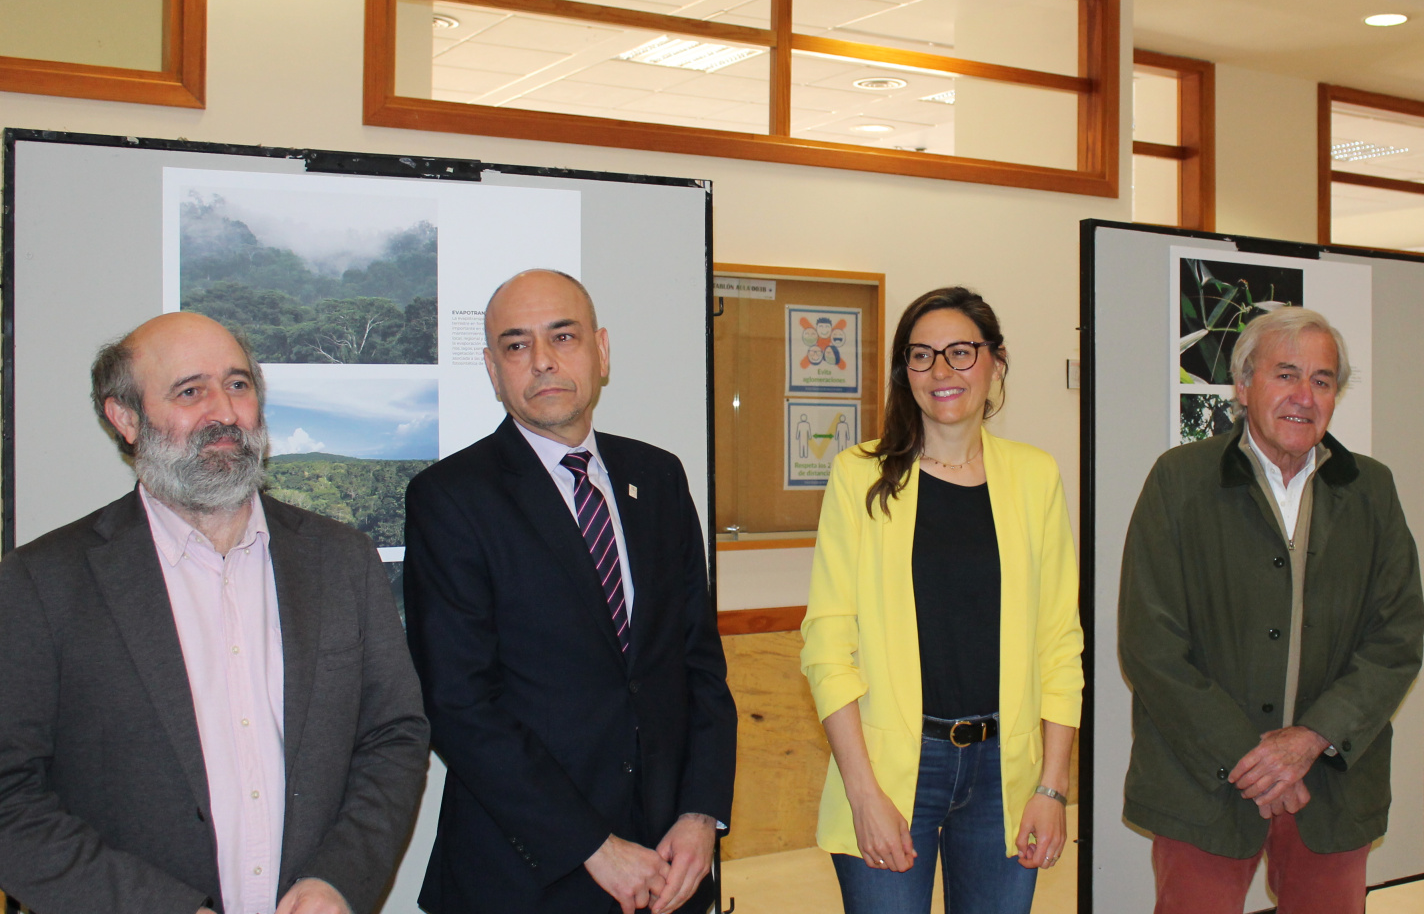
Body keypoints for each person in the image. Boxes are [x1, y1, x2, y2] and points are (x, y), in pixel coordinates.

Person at [0, 312, 430, 914]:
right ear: (124, 418)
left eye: (238, 385)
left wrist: (339, 880)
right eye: (189, 391)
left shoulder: (341, 560)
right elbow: (9, 797)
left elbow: (394, 734)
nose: (224, 414)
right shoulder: (43, 583)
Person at [404, 269, 737, 914]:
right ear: (493, 370)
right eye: (517, 345)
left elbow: (699, 666)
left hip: (672, 866)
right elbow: (460, 703)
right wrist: (593, 846)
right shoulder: (451, 498)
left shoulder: (659, 477)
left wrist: (702, 816)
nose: (544, 361)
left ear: (601, 350)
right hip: (527, 874)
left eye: (563, 336)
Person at [1119, 306, 1424, 914]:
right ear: (1243, 384)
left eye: (1322, 379)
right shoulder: (1179, 481)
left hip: (1333, 783)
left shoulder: (1371, 490)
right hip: (1202, 780)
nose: (1303, 396)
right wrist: (1251, 757)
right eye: (1285, 374)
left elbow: (1397, 637)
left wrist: (1308, 741)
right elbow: (1150, 642)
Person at [799, 286, 1084, 914]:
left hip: (1005, 775)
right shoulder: (860, 475)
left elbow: (1060, 643)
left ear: (995, 361)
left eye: (961, 352)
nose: (942, 371)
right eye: (922, 356)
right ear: (905, 372)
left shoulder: (1036, 477)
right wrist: (862, 792)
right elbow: (826, 645)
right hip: (890, 771)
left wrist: (1053, 788)